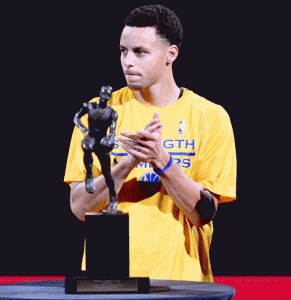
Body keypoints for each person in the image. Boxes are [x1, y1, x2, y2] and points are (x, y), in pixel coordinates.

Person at [64, 4, 236, 282]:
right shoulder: (99, 113)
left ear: (171, 54)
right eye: (123, 51)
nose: (127, 61)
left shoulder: (210, 117)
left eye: (140, 52)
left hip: (182, 285)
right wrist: (128, 162)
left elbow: (203, 214)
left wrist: (162, 162)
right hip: (109, 284)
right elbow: (79, 208)